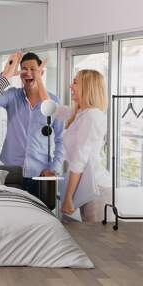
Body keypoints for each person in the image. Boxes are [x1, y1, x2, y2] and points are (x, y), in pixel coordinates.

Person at [0, 52, 64, 198]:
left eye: (33, 69)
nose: (27, 73)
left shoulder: (53, 101)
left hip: (41, 173)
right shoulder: (12, 96)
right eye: (24, 69)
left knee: (41, 216)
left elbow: (61, 138)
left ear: (42, 72)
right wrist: (5, 74)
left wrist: (54, 167)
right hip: (12, 173)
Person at [39, 69, 110, 222]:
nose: (71, 86)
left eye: (75, 82)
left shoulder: (92, 116)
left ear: (88, 87)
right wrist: (38, 78)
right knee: (86, 239)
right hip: (83, 185)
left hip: (95, 188)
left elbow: (79, 160)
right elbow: (51, 107)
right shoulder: (79, 113)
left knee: (96, 240)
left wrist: (68, 198)